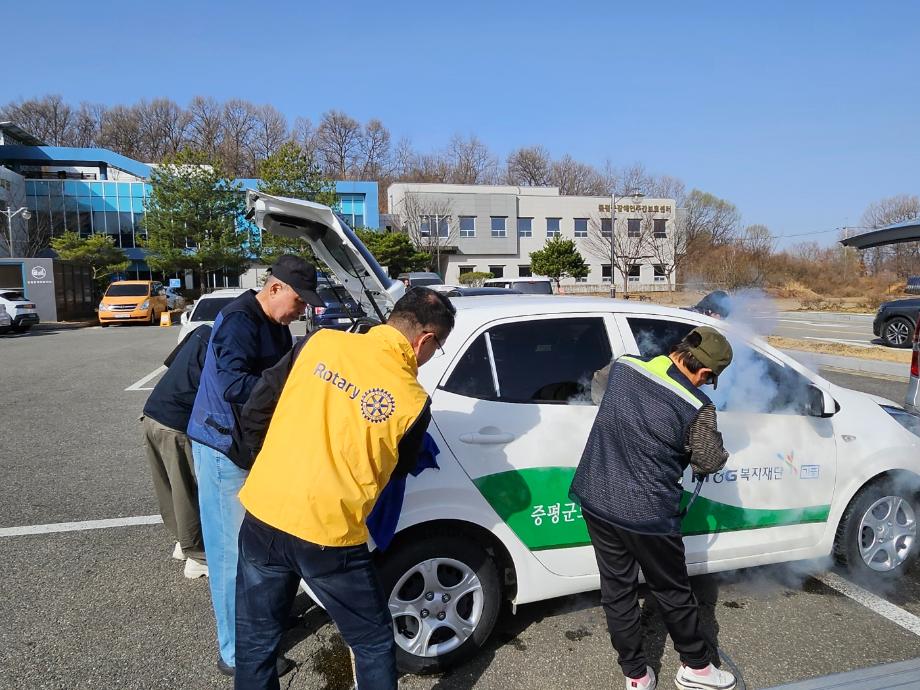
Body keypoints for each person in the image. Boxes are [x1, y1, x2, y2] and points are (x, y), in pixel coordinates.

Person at [233, 287, 456, 690]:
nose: (429, 357)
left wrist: (268, 468)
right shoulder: (411, 400)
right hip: (328, 534)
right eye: (436, 349)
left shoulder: (320, 342)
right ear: (424, 340)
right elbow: (398, 470)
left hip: (262, 512)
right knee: (371, 642)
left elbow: (257, 409)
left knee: (255, 640)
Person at [571, 326, 736, 690]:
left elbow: (600, 391)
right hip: (648, 513)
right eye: (709, 381)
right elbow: (708, 462)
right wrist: (717, 448)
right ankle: (696, 667)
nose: (706, 387)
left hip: (596, 497)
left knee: (617, 590)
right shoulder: (698, 407)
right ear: (705, 373)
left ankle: (635, 676)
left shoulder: (625, 367)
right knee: (673, 591)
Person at [186, 255, 325, 678]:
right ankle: (235, 652)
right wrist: (289, 389)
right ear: (276, 287)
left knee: (257, 547)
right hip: (222, 446)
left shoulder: (276, 325)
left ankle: (261, 623)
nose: (302, 310)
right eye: (299, 301)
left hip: (250, 447)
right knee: (230, 555)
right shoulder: (239, 320)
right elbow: (232, 384)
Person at [141, 324, 212, 579]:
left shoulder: (201, 331)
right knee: (188, 491)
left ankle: (182, 543)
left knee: (169, 487)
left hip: (152, 413)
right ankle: (197, 556)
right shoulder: (227, 344)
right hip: (176, 424)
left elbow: (171, 364)